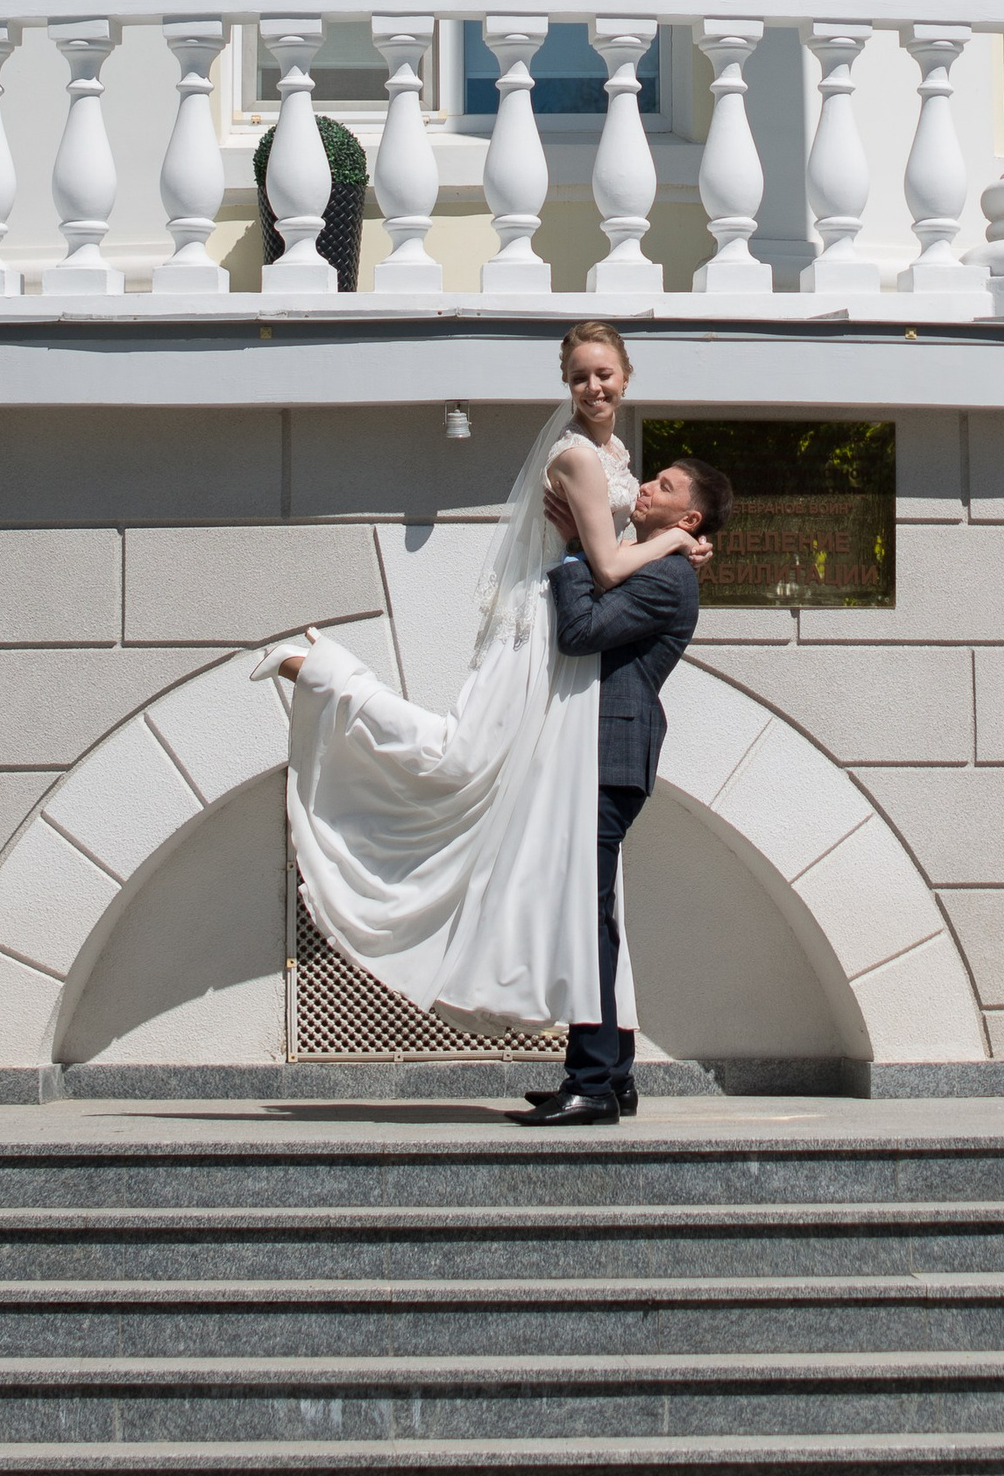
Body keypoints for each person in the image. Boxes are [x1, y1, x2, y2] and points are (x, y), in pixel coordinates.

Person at [260, 323, 714, 1034]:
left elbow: (622, 552)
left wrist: (672, 537)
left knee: (545, 835)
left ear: (627, 376)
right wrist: (678, 539)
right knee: (464, 758)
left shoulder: (616, 455)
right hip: (543, 633)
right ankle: (325, 674)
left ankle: (597, 1057)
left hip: (570, 642)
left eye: (604, 374)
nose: (593, 387)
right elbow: (606, 568)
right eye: (579, 377)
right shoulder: (579, 459)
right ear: (567, 386)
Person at [523, 437, 734, 1126]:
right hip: (606, 753)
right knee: (597, 914)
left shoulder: (666, 577)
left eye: (667, 486)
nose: (647, 486)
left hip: (612, 751)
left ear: (689, 521)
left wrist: (573, 551)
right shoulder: (655, 564)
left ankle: (590, 1080)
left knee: (589, 917)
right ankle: (611, 1074)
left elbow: (580, 631)